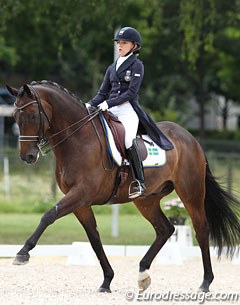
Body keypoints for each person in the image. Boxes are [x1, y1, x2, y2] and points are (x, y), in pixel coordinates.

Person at [86, 26, 173, 198]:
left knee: (127, 140)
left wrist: (107, 103)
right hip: (110, 109)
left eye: (124, 43)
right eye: (118, 43)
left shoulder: (137, 65)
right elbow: (102, 92)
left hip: (128, 110)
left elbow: (130, 93)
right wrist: (89, 105)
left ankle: (140, 182)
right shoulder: (112, 68)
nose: (119, 46)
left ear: (134, 46)